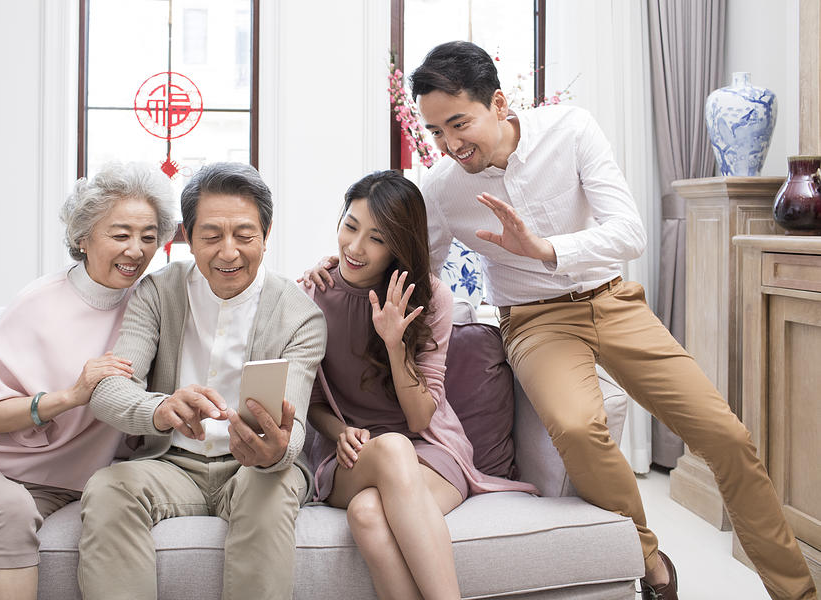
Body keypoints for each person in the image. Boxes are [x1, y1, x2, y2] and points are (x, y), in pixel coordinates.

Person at [303, 41, 817, 600]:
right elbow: (407, 262)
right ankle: (650, 560)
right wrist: (340, 266)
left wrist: (544, 248)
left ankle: (796, 592)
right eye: (435, 133)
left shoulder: (570, 130)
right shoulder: (443, 188)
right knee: (576, 427)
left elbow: (630, 232)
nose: (450, 145)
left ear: (498, 103)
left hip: (612, 299)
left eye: (459, 124)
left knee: (726, 436)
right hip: (534, 323)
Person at [0, 162, 177, 600]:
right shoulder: (39, 302)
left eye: (148, 237)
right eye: (120, 235)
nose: (136, 249)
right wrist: (70, 397)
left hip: (52, 484)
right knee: (5, 507)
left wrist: (327, 272)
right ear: (83, 239)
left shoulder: (149, 307)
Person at [76, 162, 327, 600]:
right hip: (173, 464)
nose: (228, 252)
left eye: (244, 236)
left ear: (266, 237)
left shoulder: (299, 313)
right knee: (108, 489)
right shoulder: (157, 292)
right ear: (187, 238)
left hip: (256, 470)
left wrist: (277, 448)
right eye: (211, 236)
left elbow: (295, 424)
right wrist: (159, 408)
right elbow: (109, 388)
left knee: (269, 492)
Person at [305, 170, 536, 600]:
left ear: (398, 245)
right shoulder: (313, 295)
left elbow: (419, 416)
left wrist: (395, 345)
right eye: (349, 226)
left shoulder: (430, 298)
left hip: (430, 451)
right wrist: (341, 433)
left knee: (369, 514)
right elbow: (314, 402)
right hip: (351, 458)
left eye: (376, 238)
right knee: (390, 448)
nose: (354, 248)